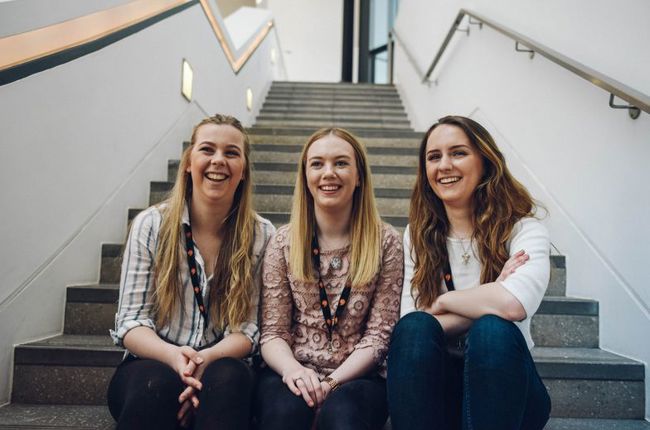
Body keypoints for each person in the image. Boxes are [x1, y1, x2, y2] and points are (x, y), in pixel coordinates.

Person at [107, 114, 275, 430]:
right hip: (153, 361)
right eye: (207, 150)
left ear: (243, 171)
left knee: (227, 379)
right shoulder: (151, 225)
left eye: (231, 153)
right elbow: (130, 322)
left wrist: (204, 362)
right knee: (155, 386)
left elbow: (250, 330)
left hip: (224, 367)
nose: (218, 161)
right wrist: (176, 360)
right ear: (188, 162)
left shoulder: (262, 234)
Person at [387, 115, 551, 430]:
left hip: (509, 388)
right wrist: (490, 294)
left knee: (492, 330)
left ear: (485, 162)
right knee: (415, 329)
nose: (444, 165)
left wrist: (443, 303)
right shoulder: (417, 235)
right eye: (434, 157)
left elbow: (513, 305)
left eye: (458, 153)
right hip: (440, 390)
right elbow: (415, 322)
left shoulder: (524, 230)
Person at [255, 128, 403, 430]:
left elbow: (379, 336)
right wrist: (295, 372)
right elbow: (272, 333)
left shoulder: (386, 242)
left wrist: (332, 383)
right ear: (305, 175)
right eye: (317, 163)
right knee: (284, 417)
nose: (328, 173)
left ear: (359, 176)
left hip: (359, 376)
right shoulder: (283, 242)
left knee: (344, 420)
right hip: (292, 369)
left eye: (341, 163)